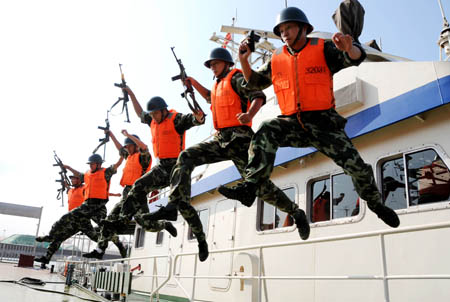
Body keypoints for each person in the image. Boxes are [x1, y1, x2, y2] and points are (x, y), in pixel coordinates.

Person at [218, 7, 400, 229]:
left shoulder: (322, 48)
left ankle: (376, 204)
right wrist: (244, 61)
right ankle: (250, 187)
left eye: (289, 27)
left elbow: (355, 58)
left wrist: (349, 47)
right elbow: (255, 83)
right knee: (266, 129)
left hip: (324, 124)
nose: (284, 33)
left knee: (358, 167)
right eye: (281, 30)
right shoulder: (276, 58)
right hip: (292, 124)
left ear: (303, 28)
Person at [142, 47, 310, 262]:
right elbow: (209, 98)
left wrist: (249, 114)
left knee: (259, 187)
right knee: (186, 156)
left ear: (226, 63)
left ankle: (296, 213)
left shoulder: (236, 77)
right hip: (221, 141)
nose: (212, 67)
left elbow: (258, 95)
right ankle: (175, 204)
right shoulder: (217, 84)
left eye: (215, 63)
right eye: (210, 65)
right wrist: (192, 82)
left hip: (239, 140)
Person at [100, 90, 204, 250]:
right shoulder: (153, 120)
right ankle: (122, 219)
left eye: (156, 113)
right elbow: (140, 113)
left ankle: (201, 240)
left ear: (164, 110)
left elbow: (194, 119)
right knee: (138, 186)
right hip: (162, 167)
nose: (153, 117)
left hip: (178, 166)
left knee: (183, 206)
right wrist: (131, 94)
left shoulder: (175, 119)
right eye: (152, 114)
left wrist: (198, 117)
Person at [83, 129, 177, 259]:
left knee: (144, 222)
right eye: (126, 147)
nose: (126, 149)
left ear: (135, 146)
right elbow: (119, 148)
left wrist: (128, 135)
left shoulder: (142, 157)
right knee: (108, 220)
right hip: (126, 193)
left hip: (138, 194)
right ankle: (99, 250)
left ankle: (164, 224)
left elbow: (145, 148)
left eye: (129, 146)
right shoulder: (129, 156)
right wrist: (112, 134)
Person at [34, 154, 126, 266]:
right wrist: (67, 167)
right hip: (81, 216)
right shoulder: (82, 181)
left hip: (95, 207)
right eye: (90, 164)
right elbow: (78, 175)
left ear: (98, 164)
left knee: (104, 228)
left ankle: (118, 244)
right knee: (60, 237)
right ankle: (46, 256)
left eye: (92, 164)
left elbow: (116, 166)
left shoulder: (103, 174)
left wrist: (122, 155)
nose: (90, 166)